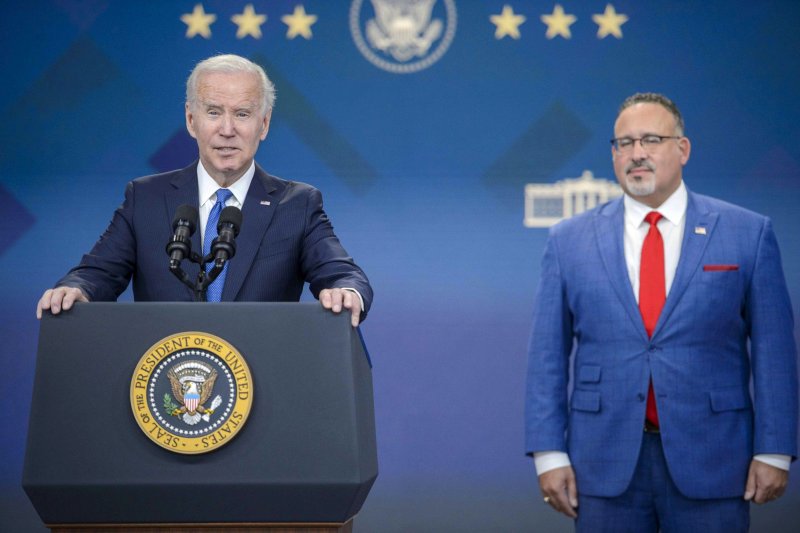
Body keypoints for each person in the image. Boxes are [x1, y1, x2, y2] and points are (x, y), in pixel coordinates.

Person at [525, 93, 797, 531]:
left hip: (715, 461)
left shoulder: (748, 233)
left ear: (683, 149)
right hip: (603, 465)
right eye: (623, 143)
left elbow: (775, 353)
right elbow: (546, 358)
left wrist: (774, 450)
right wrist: (548, 453)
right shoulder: (568, 240)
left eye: (651, 139)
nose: (636, 154)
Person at [36, 54, 371, 326]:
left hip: (260, 386)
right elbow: (97, 273)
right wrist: (75, 290)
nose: (227, 129)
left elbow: (343, 274)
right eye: (213, 112)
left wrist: (346, 291)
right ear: (191, 120)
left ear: (264, 124)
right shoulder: (145, 198)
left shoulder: (296, 204)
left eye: (242, 113)